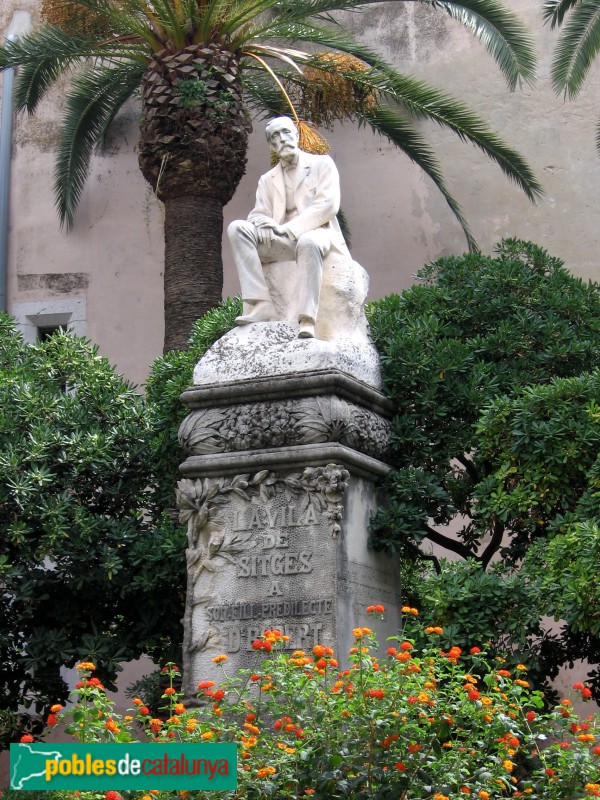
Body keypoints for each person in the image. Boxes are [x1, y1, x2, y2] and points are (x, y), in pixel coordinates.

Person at [227, 117, 351, 339]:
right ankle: (261, 303)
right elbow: (258, 213)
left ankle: (307, 320)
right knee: (237, 228)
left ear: (296, 135)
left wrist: (287, 228)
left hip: (317, 233)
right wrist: (261, 224)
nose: (281, 139)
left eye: (285, 132)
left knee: (308, 242)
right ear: (272, 145)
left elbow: (328, 205)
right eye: (274, 137)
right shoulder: (267, 179)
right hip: (280, 240)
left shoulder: (322, 164)